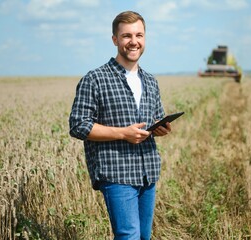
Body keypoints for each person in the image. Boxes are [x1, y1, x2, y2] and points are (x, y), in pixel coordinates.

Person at [69, 11, 171, 239]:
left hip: (148, 172)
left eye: (139, 35)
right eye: (126, 36)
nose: (133, 41)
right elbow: (78, 125)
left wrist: (160, 128)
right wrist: (122, 133)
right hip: (116, 173)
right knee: (129, 235)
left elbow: (156, 118)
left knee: (144, 236)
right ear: (115, 40)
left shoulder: (151, 81)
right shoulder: (95, 79)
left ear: (145, 38)